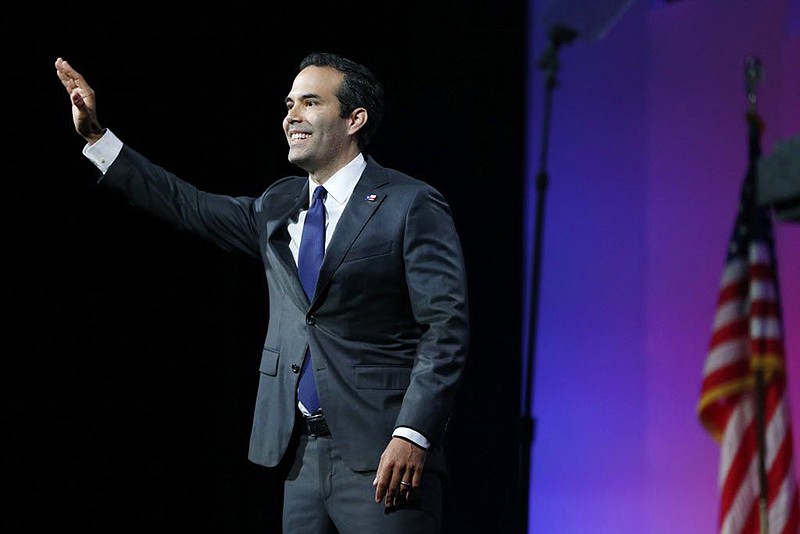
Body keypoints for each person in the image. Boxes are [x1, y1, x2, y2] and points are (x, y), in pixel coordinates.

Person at [55, 52, 470, 533]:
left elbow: (445, 327)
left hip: (384, 456)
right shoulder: (280, 203)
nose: (291, 115)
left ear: (354, 119)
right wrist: (96, 138)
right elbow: (187, 205)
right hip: (299, 456)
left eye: (310, 103)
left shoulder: (409, 203)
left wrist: (413, 434)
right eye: (289, 104)